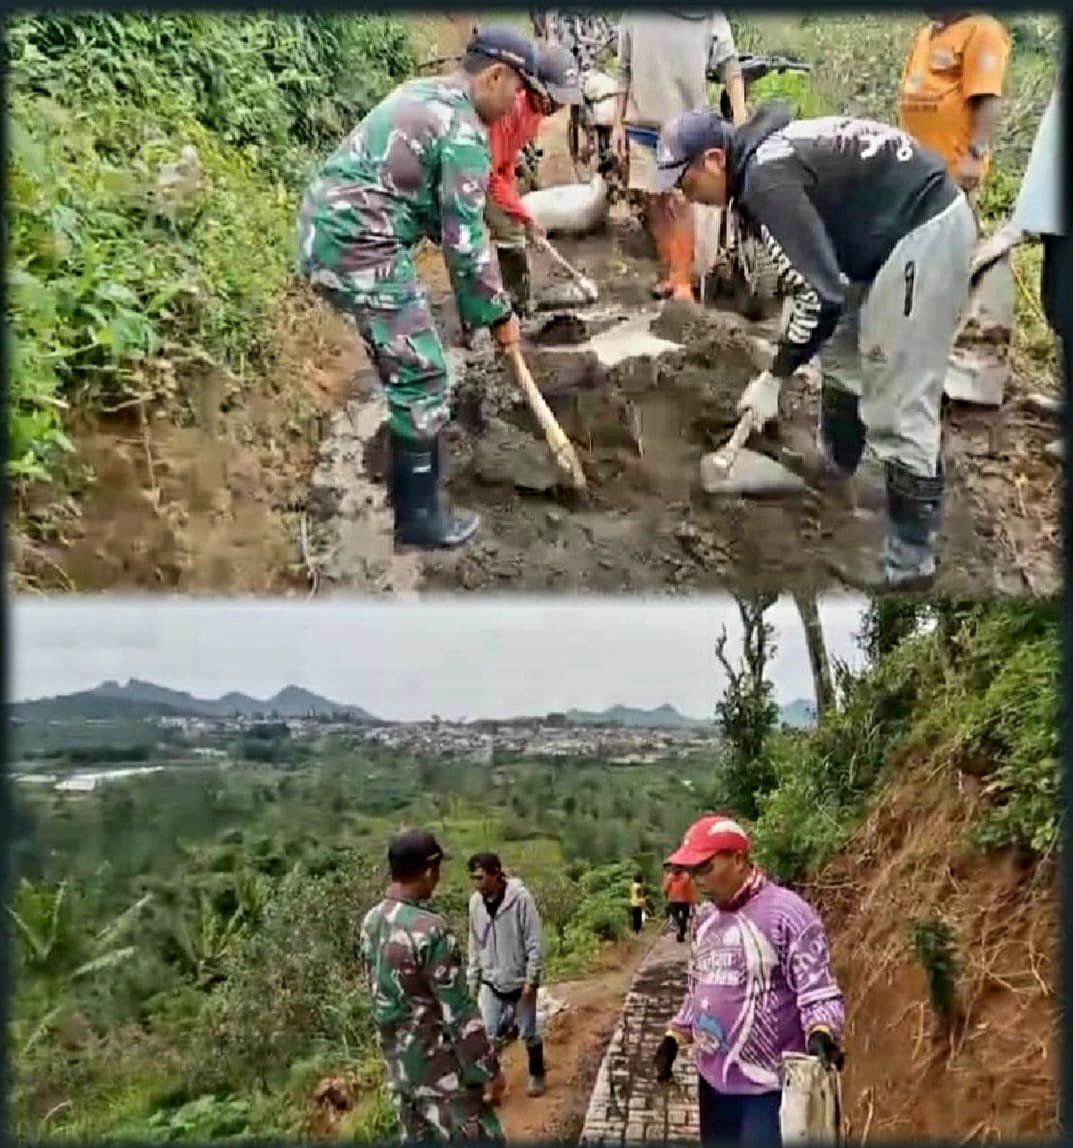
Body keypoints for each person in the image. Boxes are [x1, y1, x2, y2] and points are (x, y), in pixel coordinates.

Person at [654, 104, 978, 592]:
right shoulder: (763, 158)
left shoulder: (766, 180)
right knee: (841, 353)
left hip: (922, 230)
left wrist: (774, 378)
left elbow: (818, 296)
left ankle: (908, 563)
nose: (687, 196)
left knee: (900, 398)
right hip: (878, 234)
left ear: (715, 160)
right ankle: (840, 467)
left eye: (686, 181)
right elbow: (824, 290)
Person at [296, 25, 542, 553]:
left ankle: (405, 488)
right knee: (423, 370)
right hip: (358, 242)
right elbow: (464, 239)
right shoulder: (465, 131)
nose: (517, 103)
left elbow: (431, 208)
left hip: (331, 230)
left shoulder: (426, 93)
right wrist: (498, 315)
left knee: (404, 358)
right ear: (495, 75)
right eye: (517, 90)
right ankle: (419, 518)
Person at [653, 815, 845, 1147]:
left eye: (705, 869)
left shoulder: (788, 914)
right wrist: (675, 1035)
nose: (697, 881)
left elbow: (818, 992)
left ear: (738, 859)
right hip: (712, 1081)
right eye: (692, 872)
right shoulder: (705, 920)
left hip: (767, 1088)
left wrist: (821, 1033)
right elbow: (699, 989)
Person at [358, 830, 505, 1143]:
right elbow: (460, 1012)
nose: (437, 879)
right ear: (428, 870)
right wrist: (488, 1070)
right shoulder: (430, 930)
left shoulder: (371, 922)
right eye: (437, 871)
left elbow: (378, 993)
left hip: (400, 1072)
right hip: (441, 1074)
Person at [612, 13, 748, 302]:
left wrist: (741, 121)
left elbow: (730, 67)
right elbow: (623, 70)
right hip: (643, 122)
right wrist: (617, 123)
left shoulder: (708, 15)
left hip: (686, 128)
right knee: (655, 198)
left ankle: (684, 282)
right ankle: (671, 273)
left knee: (682, 200)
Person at [485, 43, 584, 317]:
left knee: (513, 226)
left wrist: (522, 213)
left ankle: (519, 303)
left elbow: (506, 162)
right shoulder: (509, 108)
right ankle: (483, 319)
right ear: (534, 84)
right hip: (466, 174)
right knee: (482, 237)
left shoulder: (535, 113)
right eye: (556, 97)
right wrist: (523, 216)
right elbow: (491, 174)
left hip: (494, 170)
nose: (559, 105)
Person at [898, 12, 1012, 199]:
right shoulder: (925, 34)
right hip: (917, 163)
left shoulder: (982, 29)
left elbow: (988, 96)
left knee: (957, 220)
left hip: (954, 164)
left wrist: (975, 157)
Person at [466, 852, 548, 1098]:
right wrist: (473, 979)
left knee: (529, 1032)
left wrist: (532, 979)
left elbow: (534, 941)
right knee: (487, 1033)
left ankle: (536, 1073)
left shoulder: (521, 899)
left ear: (495, 874)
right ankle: (493, 1081)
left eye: (480, 877)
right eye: (473, 878)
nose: (476, 883)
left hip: (520, 980)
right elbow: (474, 942)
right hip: (491, 981)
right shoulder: (475, 903)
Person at [662, 864, 696, 943]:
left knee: (677, 917)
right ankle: (681, 933)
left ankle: (679, 929)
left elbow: (665, 889)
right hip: (683, 900)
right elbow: (690, 890)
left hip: (674, 900)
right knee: (684, 918)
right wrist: (692, 901)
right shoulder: (686, 877)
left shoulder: (670, 877)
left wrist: (666, 897)